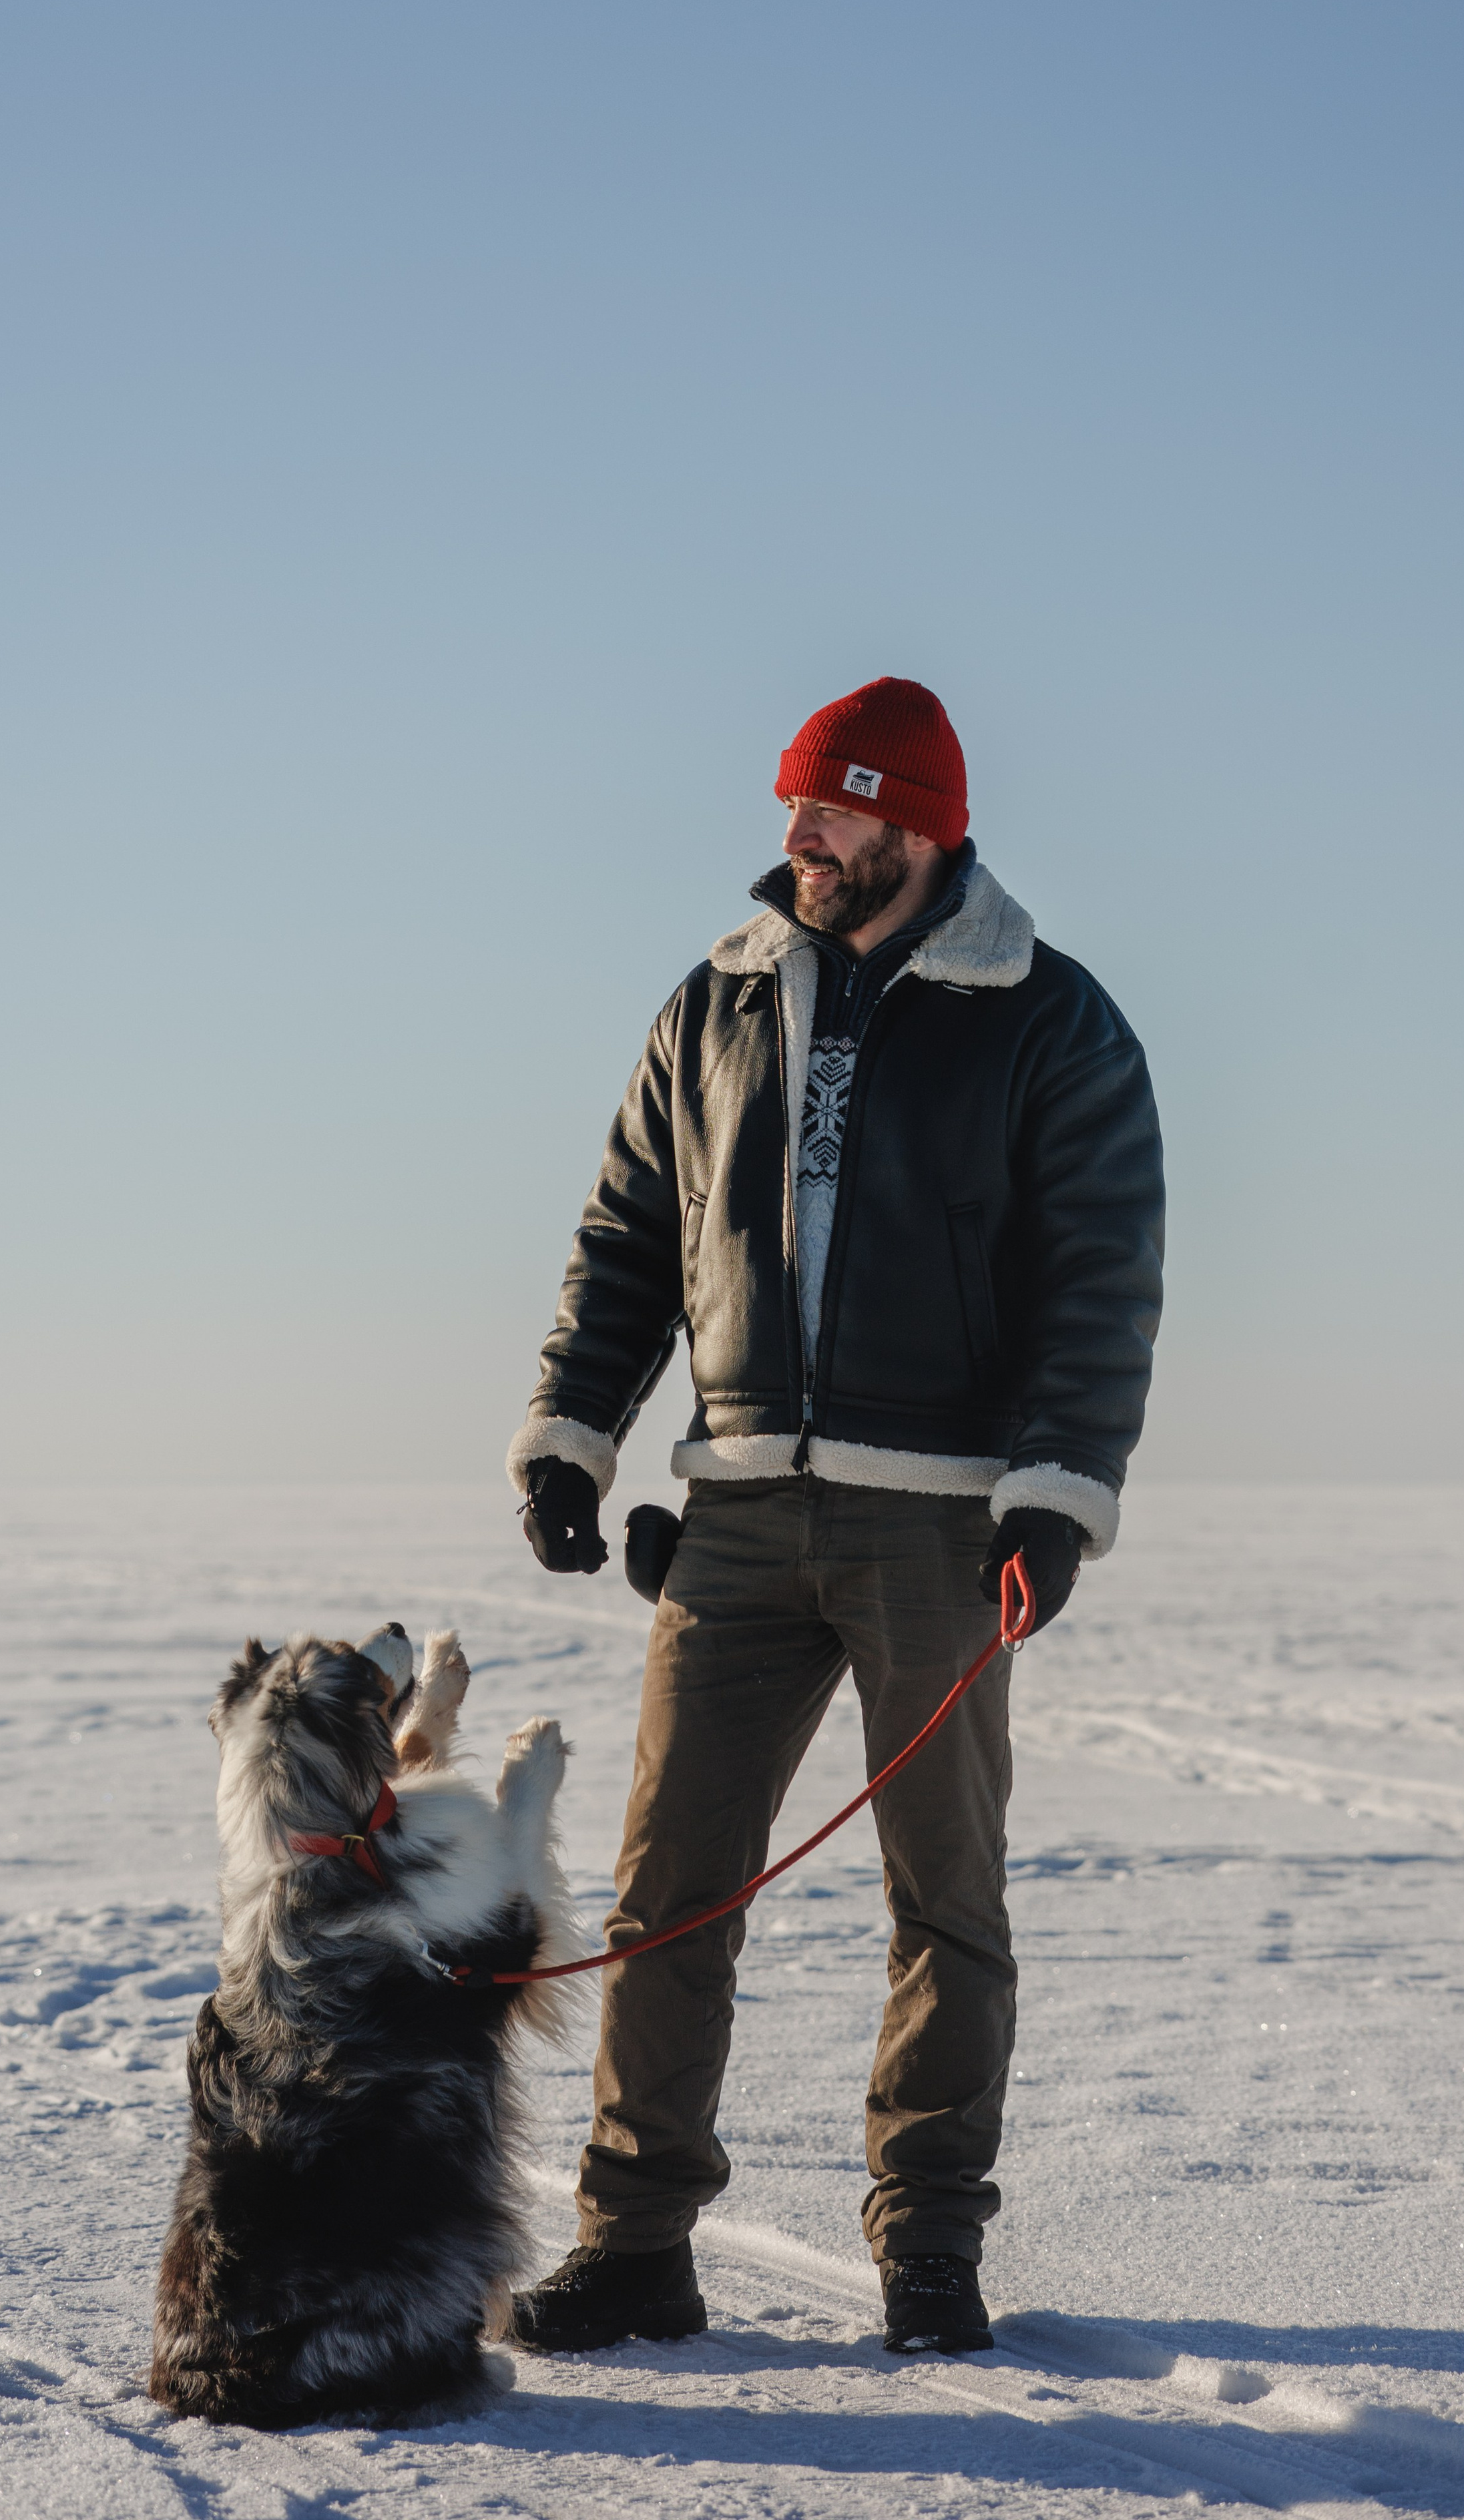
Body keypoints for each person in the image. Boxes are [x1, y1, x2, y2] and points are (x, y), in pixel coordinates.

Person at [503, 676, 1164, 2356]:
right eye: (792, 804)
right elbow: (627, 1240)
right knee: (669, 1893)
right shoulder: (714, 999)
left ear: (918, 821)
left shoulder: (1047, 1018)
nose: (794, 835)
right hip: (730, 1515)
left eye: (831, 806)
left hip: (941, 1526)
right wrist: (574, 1439)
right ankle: (636, 2243)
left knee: (943, 1900)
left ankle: (928, 2246)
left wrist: (1050, 1505)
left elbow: (1096, 1282)